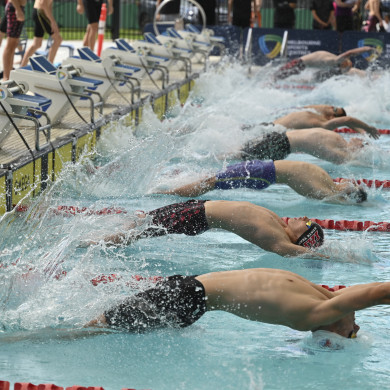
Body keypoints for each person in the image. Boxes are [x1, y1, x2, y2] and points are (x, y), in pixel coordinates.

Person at [85, 266, 390, 342]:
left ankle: (40, 337)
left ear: (331, 329)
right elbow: (374, 291)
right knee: (95, 327)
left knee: (93, 329)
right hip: (189, 295)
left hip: (188, 297)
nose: (357, 326)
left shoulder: (311, 311)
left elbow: (371, 295)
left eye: (351, 334)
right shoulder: (317, 306)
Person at [84, 200, 325, 258]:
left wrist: (340, 255)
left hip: (195, 216)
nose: (303, 217)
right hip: (198, 208)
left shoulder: (276, 238)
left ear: (301, 236)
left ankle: (90, 243)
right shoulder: (281, 226)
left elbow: (296, 252)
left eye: (306, 223)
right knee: (139, 224)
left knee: (137, 230)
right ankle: (95, 238)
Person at [156, 160, 367, 203]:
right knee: (212, 177)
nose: (350, 182)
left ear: (347, 193)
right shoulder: (325, 181)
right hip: (263, 167)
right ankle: (170, 184)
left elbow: (330, 198)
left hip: (263, 173)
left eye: (351, 187)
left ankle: (165, 193)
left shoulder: (320, 187)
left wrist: (343, 198)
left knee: (211, 181)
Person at [238, 128, 367, 165]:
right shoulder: (338, 139)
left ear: (356, 149)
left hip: (281, 145)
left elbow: (346, 161)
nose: (358, 139)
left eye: (361, 143)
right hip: (278, 137)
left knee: (239, 155)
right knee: (240, 151)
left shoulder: (336, 152)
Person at [271, 105, 380, 139]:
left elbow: (347, 120)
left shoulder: (323, 124)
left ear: (333, 117)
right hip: (269, 129)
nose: (331, 107)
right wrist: (362, 131)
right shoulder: (315, 113)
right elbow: (346, 122)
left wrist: (368, 128)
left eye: (335, 109)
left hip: (269, 132)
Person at [273, 46, 375, 80]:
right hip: (299, 63)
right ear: (344, 63)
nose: (344, 70)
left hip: (301, 65)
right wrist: (366, 48)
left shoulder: (332, 59)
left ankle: (267, 84)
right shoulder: (335, 60)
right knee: (276, 77)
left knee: (278, 76)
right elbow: (349, 53)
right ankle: (265, 85)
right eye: (346, 68)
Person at [20, 0, 62, 67]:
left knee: (37, 44)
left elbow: (49, 5)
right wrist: (52, 21)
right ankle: (49, 66)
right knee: (58, 39)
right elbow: (43, 3)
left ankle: (22, 66)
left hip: (40, 12)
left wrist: (51, 20)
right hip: (40, 12)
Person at [2, 0, 25, 80]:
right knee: (10, 44)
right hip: (14, 8)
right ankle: (6, 77)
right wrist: (18, 10)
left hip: (18, 7)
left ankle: (9, 75)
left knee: (14, 44)